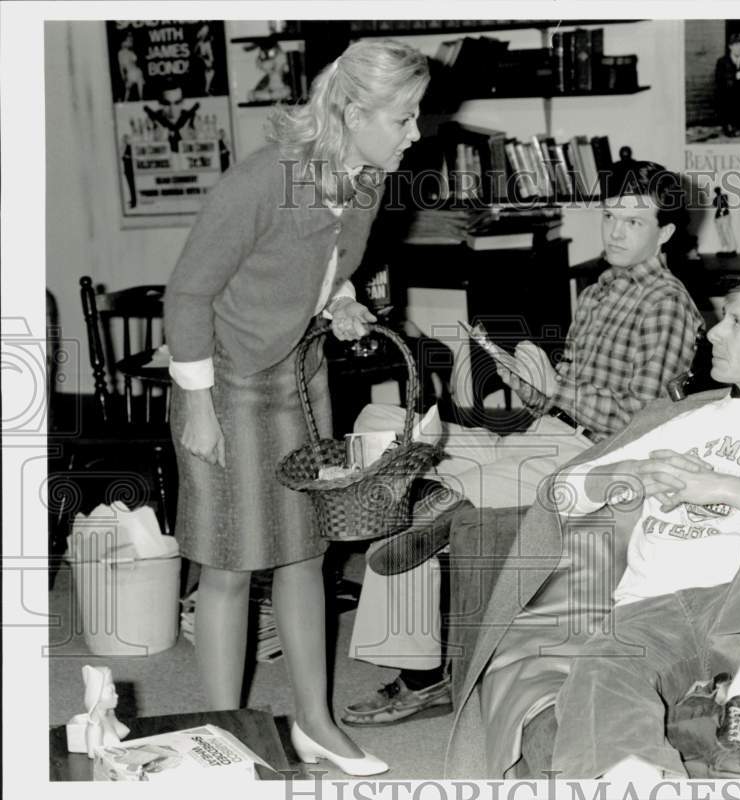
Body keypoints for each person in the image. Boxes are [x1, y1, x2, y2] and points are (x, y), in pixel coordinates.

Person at [443, 249, 740, 780]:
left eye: (735, 322)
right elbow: (562, 495)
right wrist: (627, 474)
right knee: (603, 665)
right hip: (649, 614)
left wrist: (719, 487)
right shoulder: (682, 417)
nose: (712, 334)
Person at [342, 160, 705, 726]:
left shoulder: (666, 303)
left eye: (633, 222)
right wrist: (526, 382)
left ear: (665, 233)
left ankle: (423, 672)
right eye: (610, 216)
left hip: (601, 456)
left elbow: (640, 419)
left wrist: (554, 389)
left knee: (432, 488)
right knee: (384, 425)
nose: (613, 231)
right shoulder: (603, 287)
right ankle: (431, 504)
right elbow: (562, 394)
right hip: (554, 430)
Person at [163, 39, 429, 776]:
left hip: (299, 372)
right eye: (404, 117)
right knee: (228, 564)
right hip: (223, 381)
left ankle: (313, 722)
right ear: (351, 112)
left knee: (306, 555)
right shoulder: (261, 181)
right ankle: (225, 739)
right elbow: (186, 294)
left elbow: (330, 268)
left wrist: (342, 303)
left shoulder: (368, 183)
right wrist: (198, 410)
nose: (414, 133)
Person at [714, 32, 740, 138]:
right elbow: (721, 80)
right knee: (726, 95)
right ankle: (728, 124)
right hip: (727, 93)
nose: (739, 48)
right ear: (730, 47)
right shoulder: (722, 61)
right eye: (736, 45)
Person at [144, 82, 199, 154]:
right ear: (160, 103)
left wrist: (186, 136)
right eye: (167, 104)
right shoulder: (153, 119)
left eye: (177, 103)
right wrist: (159, 139)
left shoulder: (192, 118)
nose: (172, 109)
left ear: (183, 102)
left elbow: (200, 150)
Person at [713, 185, 737, 256]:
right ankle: (725, 247)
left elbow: (725, 204)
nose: (717, 192)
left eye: (718, 190)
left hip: (725, 215)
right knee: (721, 232)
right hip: (719, 217)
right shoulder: (716, 198)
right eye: (716, 191)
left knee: (727, 231)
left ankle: (732, 248)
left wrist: (723, 210)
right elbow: (715, 204)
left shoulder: (724, 196)